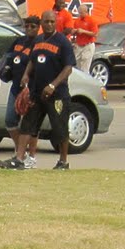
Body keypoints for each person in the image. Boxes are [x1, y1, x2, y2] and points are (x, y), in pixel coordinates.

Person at [21, 10, 76, 170]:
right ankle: (18, 159)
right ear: (42, 23)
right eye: (46, 21)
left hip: (57, 94)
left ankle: (63, 161)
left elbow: (68, 67)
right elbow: (32, 60)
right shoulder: (38, 40)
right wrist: (26, 74)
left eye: (52, 22)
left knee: (60, 128)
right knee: (28, 125)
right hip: (38, 93)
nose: (49, 24)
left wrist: (53, 85)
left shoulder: (63, 42)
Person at [0, 14, 39, 167]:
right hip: (15, 87)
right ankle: (21, 152)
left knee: (30, 125)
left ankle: (31, 157)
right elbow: (7, 57)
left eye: (33, 26)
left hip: (30, 89)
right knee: (10, 120)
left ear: (38, 28)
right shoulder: (19, 41)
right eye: (27, 26)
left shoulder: (39, 43)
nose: (29, 29)